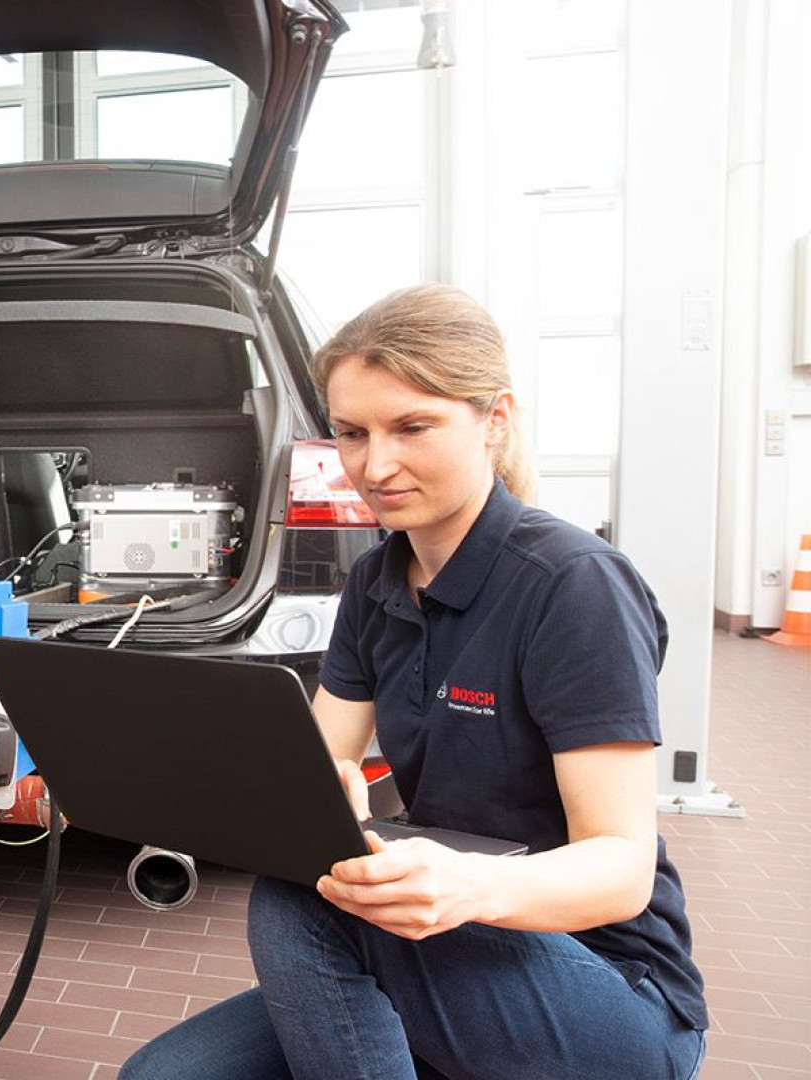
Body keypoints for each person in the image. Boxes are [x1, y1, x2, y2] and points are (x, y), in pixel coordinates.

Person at [120, 284, 708, 1080]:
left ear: (494, 420)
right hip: (437, 943)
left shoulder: (572, 585)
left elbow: (621, 869)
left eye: (412, 427)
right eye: (352, 433)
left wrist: (469, 888)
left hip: (608, 984)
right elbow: (322, 764)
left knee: (300, 902)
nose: (375, 465)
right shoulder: (375, 583)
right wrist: (296, 793)